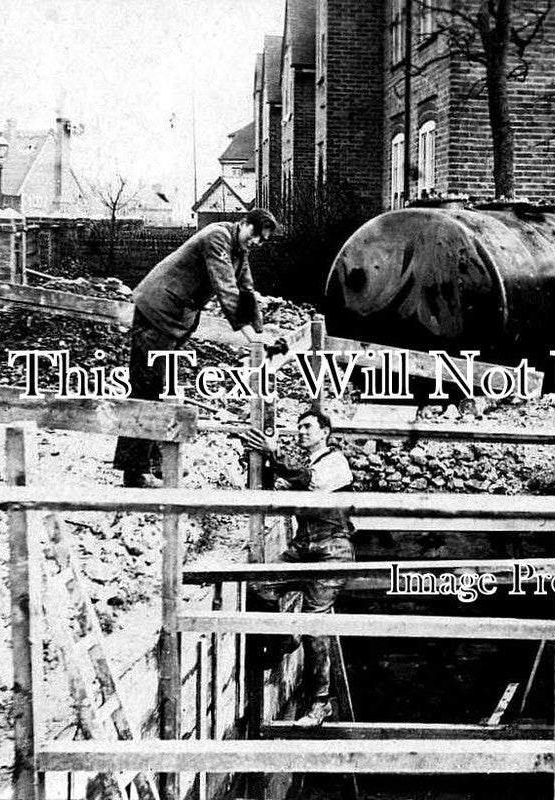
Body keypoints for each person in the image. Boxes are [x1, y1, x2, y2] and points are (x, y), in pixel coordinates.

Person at [114, 208, 279, 488]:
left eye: (260, 242)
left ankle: (155, 463)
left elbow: (247, 292)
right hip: (157, 311)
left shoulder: (239, 249)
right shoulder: (217, 238)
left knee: (162, 387)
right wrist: (250, 337)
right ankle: (134, 471)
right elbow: (226, 289)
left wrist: (261, 334)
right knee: (147, 388)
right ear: (243, 224)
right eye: (254, 235)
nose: (255, 243)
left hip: (173, 320)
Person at [242, 407, 355, 727]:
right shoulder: (303, 467)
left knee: (315, 624)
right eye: (299, 427)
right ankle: (283, 641)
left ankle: (320, 704)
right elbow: (276, 491)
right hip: (303, 547)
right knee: (260, 586)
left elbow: (313, 483)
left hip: (332, 550)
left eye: (308, 427)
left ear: (325, 433)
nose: (302, 432)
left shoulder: (335, 463)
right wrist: (255, 460)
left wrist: (275, 453)